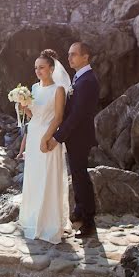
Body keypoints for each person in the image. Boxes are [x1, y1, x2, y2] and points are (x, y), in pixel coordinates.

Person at [17, 49, 73, 243]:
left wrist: (46, 138)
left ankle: (49, 224)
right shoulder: (33, 88)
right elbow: (35, 115)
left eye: (41, 67)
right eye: (36, 68)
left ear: (51, 68)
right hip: (33, 136)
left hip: (48, 139)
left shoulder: (58, 89)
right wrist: (24, 108)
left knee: (48, 177)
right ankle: (32, 219)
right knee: (34, 177)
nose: (38, 71)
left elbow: (58, 117)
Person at [53, 42, 101, 239]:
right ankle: (80, 212)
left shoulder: (88, 80)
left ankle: (89, 221)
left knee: (81, 178)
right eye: (69, 54)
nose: (70, 58)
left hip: (80, 137)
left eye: (74, 55)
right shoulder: (79, 78)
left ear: (85, 57)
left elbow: (78, 114)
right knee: (78, 175)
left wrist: (58, 136)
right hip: (76, 137)